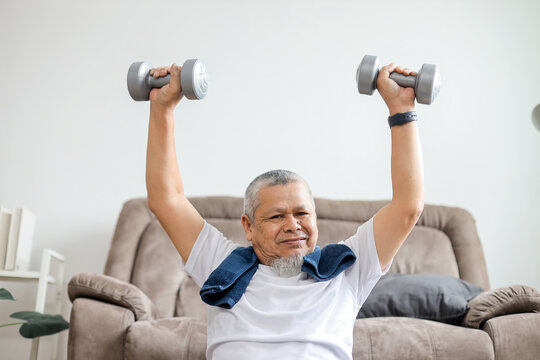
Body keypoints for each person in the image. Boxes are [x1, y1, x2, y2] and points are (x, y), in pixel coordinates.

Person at [145, 61, 424, 360]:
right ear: (248, 226)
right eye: (277, 216)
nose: (293, 225)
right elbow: (167, 199)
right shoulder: (220, 264)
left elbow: (407, 206)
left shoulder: (347, 268)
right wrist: (162, 109)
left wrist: (401, 109)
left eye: (302, 214)